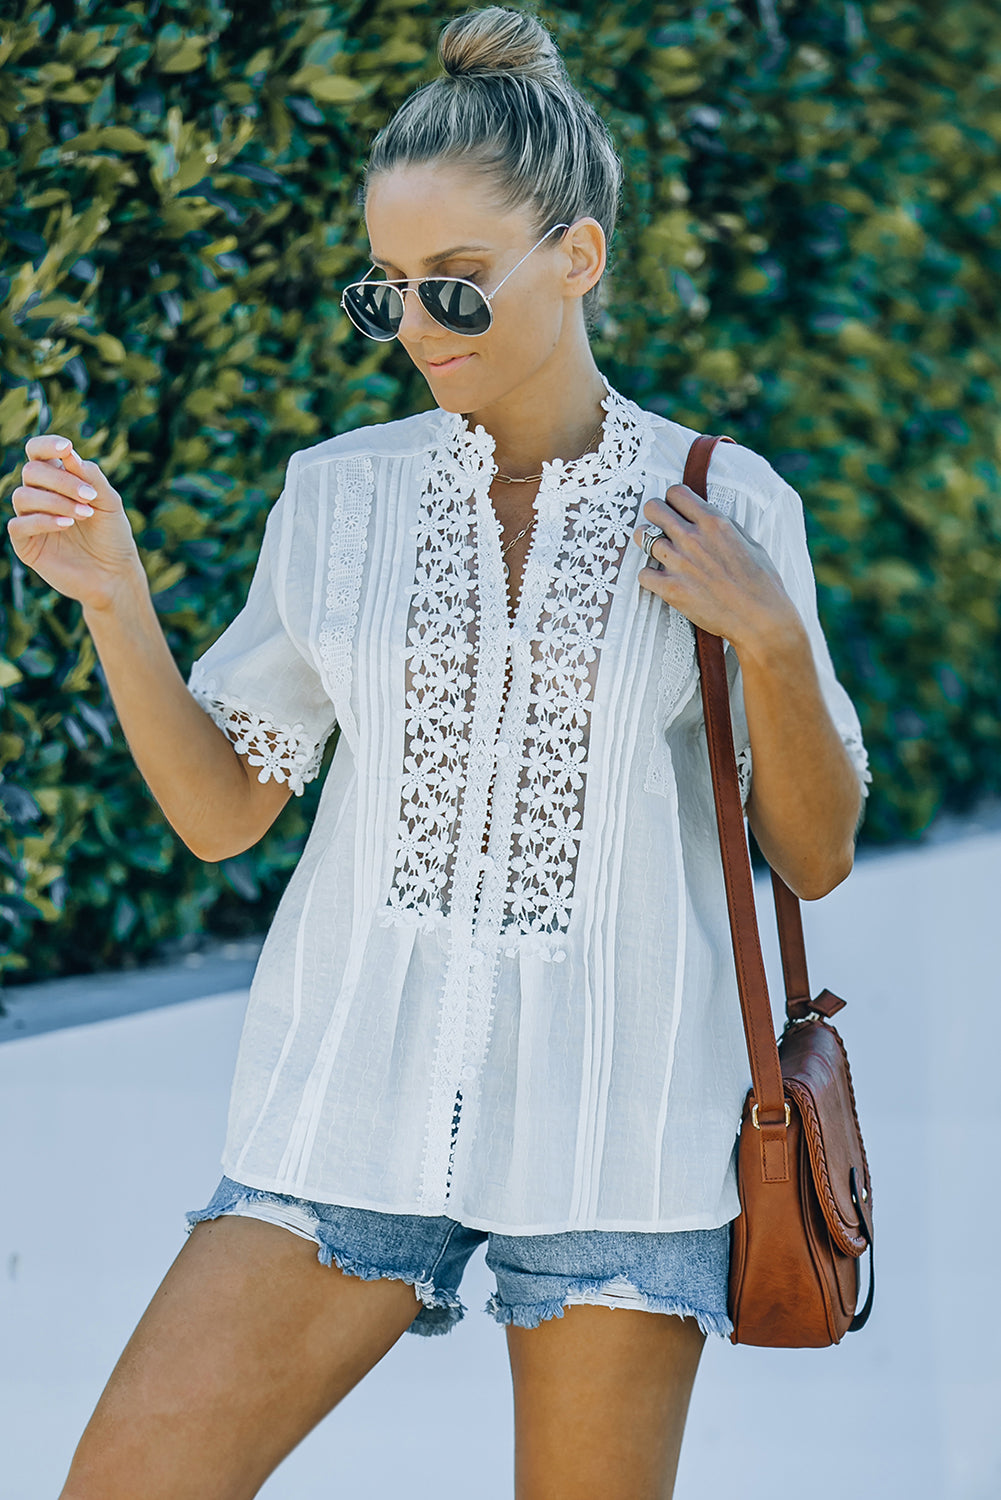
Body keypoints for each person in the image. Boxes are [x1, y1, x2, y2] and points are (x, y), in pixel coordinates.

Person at [6, 7, 870, 1498]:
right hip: (343, 1111)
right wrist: (116, 602)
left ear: (577, 259)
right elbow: (224, 814)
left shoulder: (730, 502)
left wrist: (773, 641)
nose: (415, 328)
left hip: (624, 1141)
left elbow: (813, 852)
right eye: (385, 293)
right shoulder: (338, 500)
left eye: (455, 290)